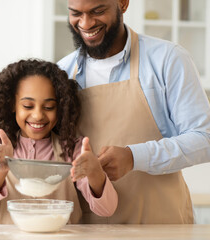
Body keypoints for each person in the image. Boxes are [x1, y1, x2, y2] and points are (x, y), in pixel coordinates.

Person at [57, 0, 210, 224]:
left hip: (161, 225)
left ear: (123, 3)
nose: (86, 23)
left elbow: (204, 138)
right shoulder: (62, 73)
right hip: (90, 229)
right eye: (76, 13)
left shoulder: (168, 59)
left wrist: (134, 157)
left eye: (97, 11)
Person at [0, 59, 118, 224]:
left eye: (48, 107)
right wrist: (0, 169)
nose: (38, 115)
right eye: (28, 106)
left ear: (60, 107)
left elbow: (107, 209)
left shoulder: (72, 149)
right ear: (12, 104)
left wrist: (95, 172)